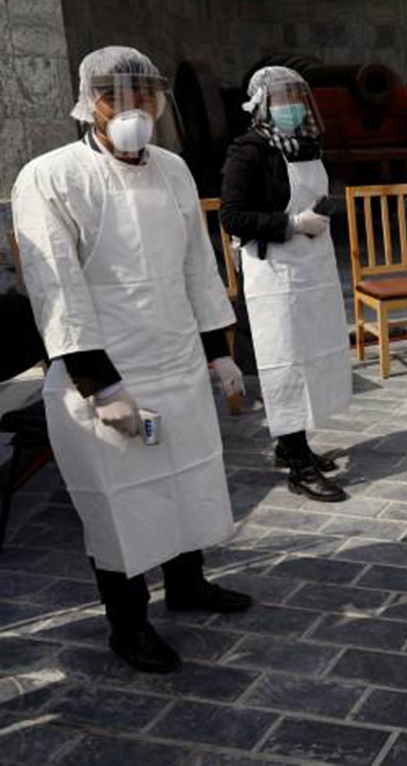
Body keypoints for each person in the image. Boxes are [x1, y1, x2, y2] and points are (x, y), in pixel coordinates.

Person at [12, 46, 252, 674]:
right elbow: (55, 283)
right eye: (115, 97)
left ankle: (189, 583)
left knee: (186, 476)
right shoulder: (51, 176)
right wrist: (98, 384)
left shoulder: (172, 169)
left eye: (143, 96)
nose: (132, 109)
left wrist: (219, 353)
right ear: (89, 102)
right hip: (109, 378)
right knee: (122, 499)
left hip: (176, 365)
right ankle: (128, 623)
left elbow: (197, 266)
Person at [220, 66, 352, 503]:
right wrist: (292, 223)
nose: (292, 107)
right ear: (262, 104)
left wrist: (322, 212)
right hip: (275, 272)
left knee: (312, 355)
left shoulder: (306, 146)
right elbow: (232, 216)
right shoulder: (249, 150)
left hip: (312, 270)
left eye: (297, 98)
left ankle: (291, 443)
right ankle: (298, 465)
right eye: (282, 100)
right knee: (287, 361)